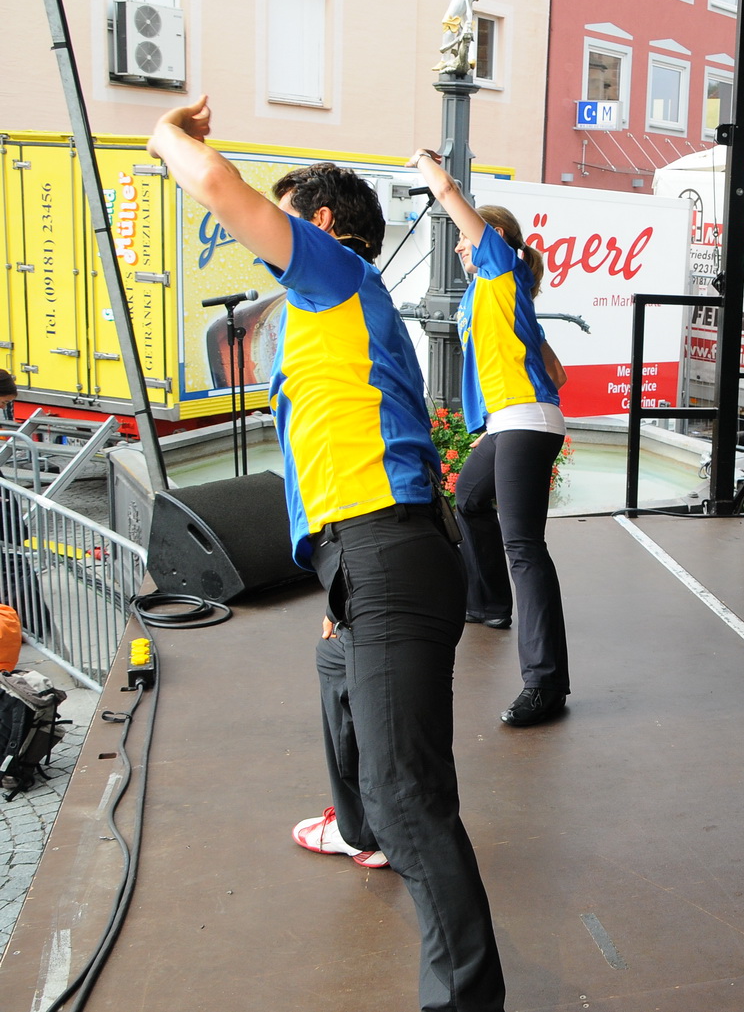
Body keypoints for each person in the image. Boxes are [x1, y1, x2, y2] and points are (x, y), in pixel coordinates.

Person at [148, 99, 506, 1012]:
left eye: (284, 217)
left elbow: (221, 191)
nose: (264, 242)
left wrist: (167, 136)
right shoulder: (335, 307)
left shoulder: (335, 271)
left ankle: (465, 997)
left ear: (318, 224)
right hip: (369, 556)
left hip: (388, 549)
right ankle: (358, 826)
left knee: (410, 795)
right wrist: (340, 582)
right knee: (334, 665)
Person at [413, 149, 570, 728]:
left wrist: (426, 167)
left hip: (526, 421)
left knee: (524, 545)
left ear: (494, 237)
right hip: (511, 421)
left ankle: (546, 684)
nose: (459, 247)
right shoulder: (500, 290)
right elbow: (555, 370)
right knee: (470, 499)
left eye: (466, 241)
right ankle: (490, 604)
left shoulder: (501, 267)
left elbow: (452, 197)